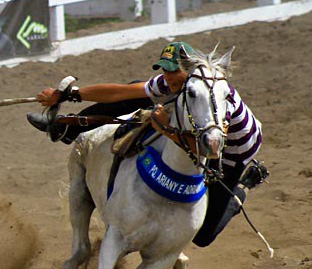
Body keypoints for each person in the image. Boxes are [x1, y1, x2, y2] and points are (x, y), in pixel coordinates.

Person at [26, 41, 265, 247]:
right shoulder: (174, 83)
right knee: (137, 90)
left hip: (231, 150)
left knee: (203, 236)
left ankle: (243, 187)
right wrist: (70, 94)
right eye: (165, 70)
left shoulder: (216, 98)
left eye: (174, 72)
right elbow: (120, 93)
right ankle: (69, 126)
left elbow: (209, 151)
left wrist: (166, 129)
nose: (168, 77)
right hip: (193, 126)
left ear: (190, 72)